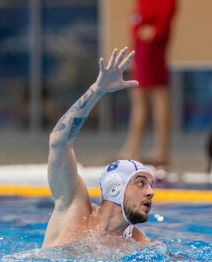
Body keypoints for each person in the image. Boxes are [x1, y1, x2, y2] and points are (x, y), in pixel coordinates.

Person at [42, 48, 155, 249]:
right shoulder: (73, 207)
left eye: (150, 184)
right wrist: (98, 89)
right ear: (115, 187)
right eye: (140, 183)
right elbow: (58, 141)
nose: (151, 192)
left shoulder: (139, 244)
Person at [117, 0, 177, 166]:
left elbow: (163, 21)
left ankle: (159, 149)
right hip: (142, 47)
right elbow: (136, 21)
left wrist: (153, 31)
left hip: (153, 48)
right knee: (140, 98)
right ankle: (133, 146)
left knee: (157, 95)